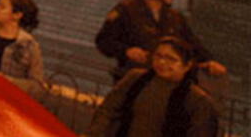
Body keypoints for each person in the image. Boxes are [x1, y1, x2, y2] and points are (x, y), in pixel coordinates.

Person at [95, 0, 225, 82]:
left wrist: (209, 61)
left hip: (166, 80)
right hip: (135, 80)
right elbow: (104, 41)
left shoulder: (174, 17)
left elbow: (191, 43)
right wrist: (126, 51)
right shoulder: (126, 11)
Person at [87, 37, 220, 137]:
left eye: (171, 59)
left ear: (187, 65)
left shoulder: (198, 100)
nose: (162, 62)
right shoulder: (136, 79)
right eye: (158, 56)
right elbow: (108, 109)